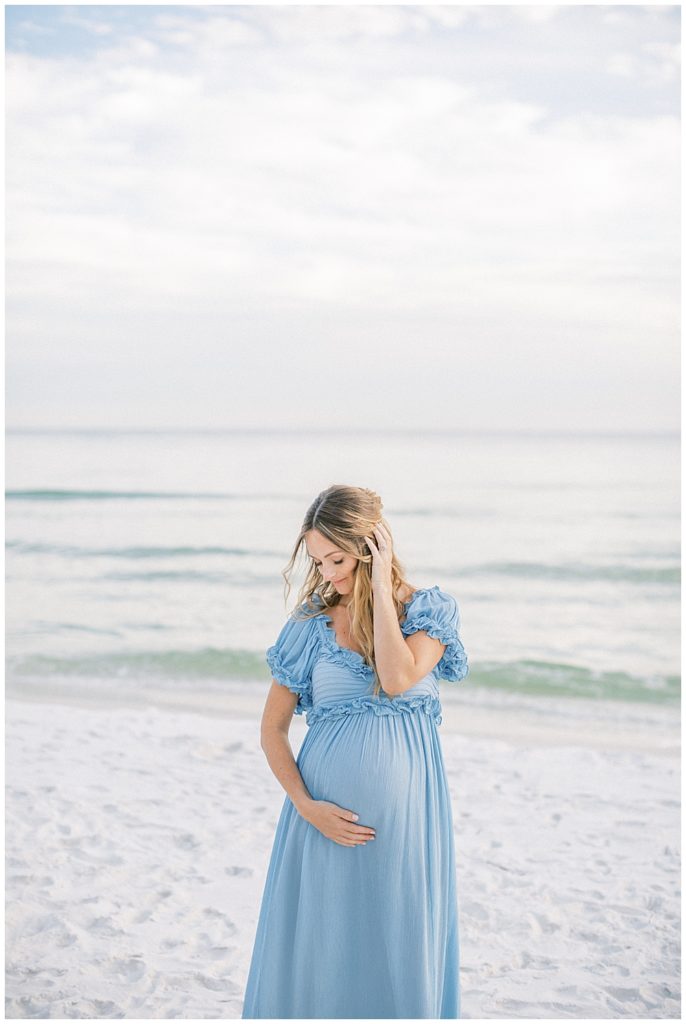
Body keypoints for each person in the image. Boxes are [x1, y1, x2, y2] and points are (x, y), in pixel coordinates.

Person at [241, 484, 469, 1019]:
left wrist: (383, 594)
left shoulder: (429, 612)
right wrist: (306, 805)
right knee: (324, 954)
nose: (327, 574)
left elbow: (396, 678)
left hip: (408, 821)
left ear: (372, 546)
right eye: (317, 561)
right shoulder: (309, 624)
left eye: (337, 558)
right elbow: (272, 730)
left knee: (397, 944)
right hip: (322, 818)